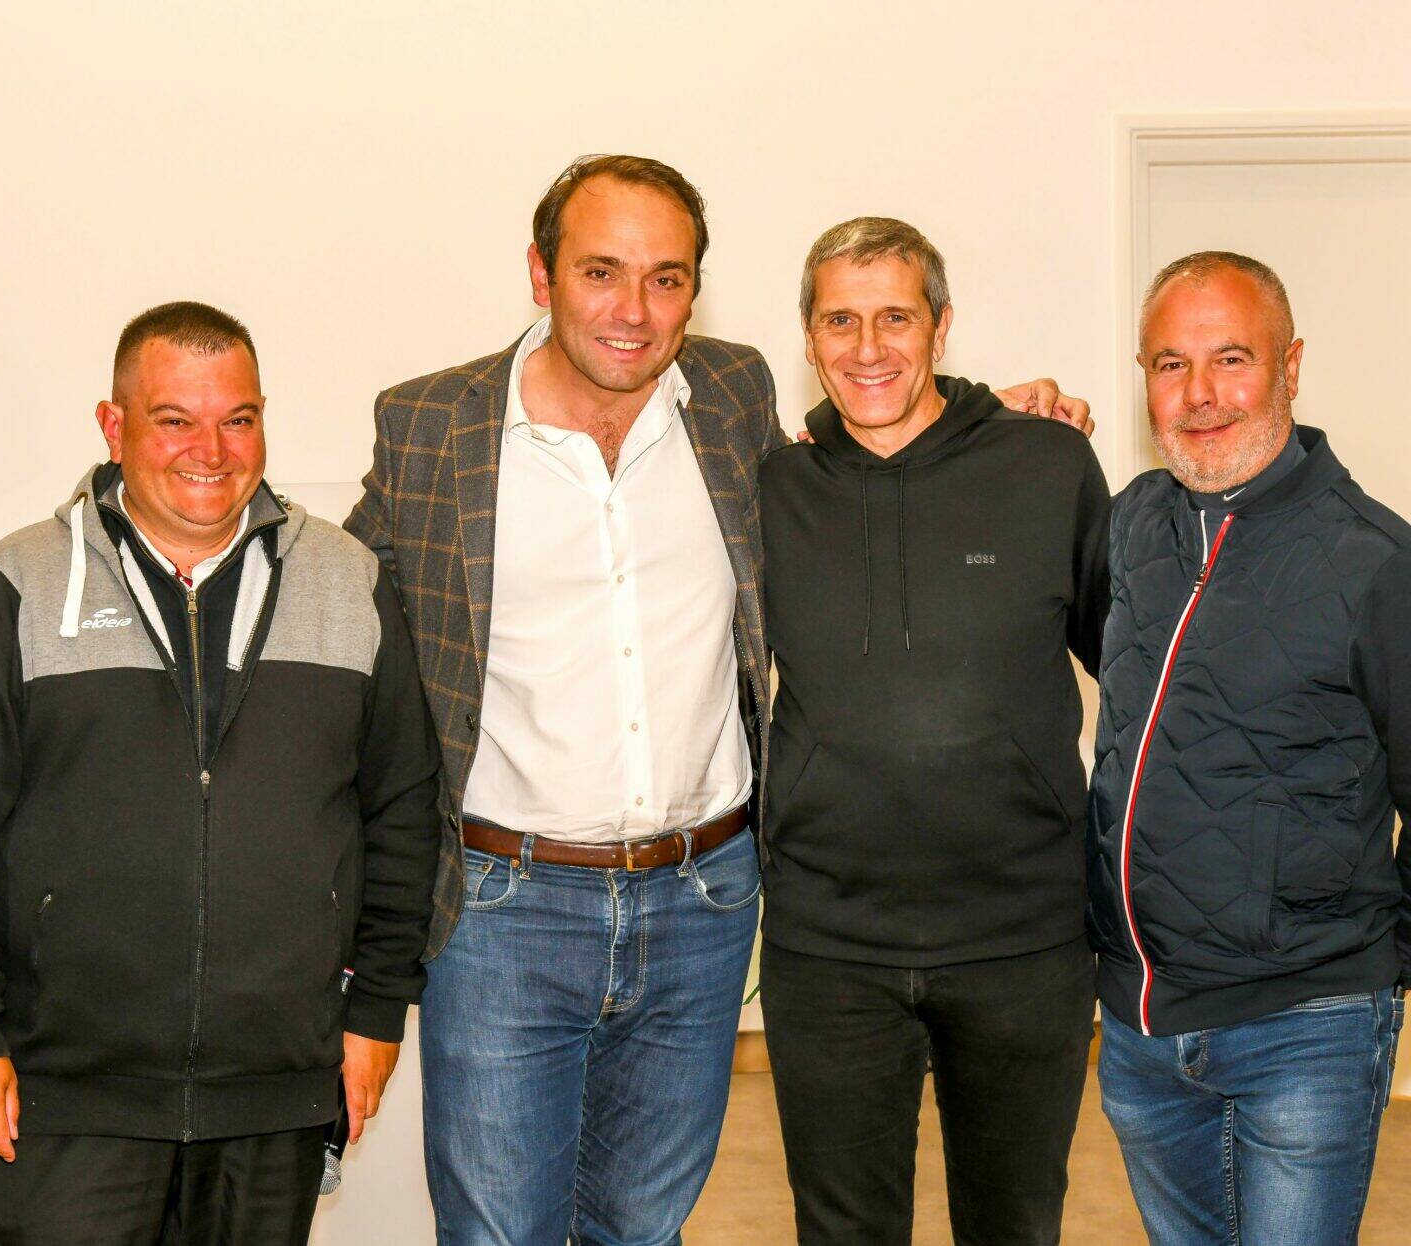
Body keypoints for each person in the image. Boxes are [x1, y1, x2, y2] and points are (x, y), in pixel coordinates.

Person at [344, 154, 1087, 1245]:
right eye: (602, 271)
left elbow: (896, 431)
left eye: (667, 278)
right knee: (501, 1228)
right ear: (540, 275)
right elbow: (345, 625)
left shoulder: (731, 398)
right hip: (508, 908)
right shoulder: (429, 429)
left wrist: (1002, 415)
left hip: (701, 904)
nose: (634, 310)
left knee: (645, 1224)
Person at [0, 301, 440, 1244]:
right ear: (113, 427)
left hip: (272, 1093)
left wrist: (376, 1009)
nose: (213, 450)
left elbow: (401, 809)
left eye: (238, 418)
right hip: (66, 1090)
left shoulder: (345, 581)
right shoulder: (19, 585)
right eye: (174, 420)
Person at [754, 218, 1108, 1245]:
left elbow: (1133, 674)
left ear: (942, 329)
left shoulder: (1049, 465)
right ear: (811, 339)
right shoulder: (772, 489)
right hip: (829, 949)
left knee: (1015, 1225)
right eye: (841, 321)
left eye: (896, 317)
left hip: (1024, 943)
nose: (869, 347)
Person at [1089, 251, 1409, 1245]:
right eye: (1169, 364)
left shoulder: (1374, 560)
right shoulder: (1136, 521)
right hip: (1141, 1026)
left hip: (1302, 1028)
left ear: (1290, 364)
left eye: (1232, 358)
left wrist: (1376, 958)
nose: (1200, 395)